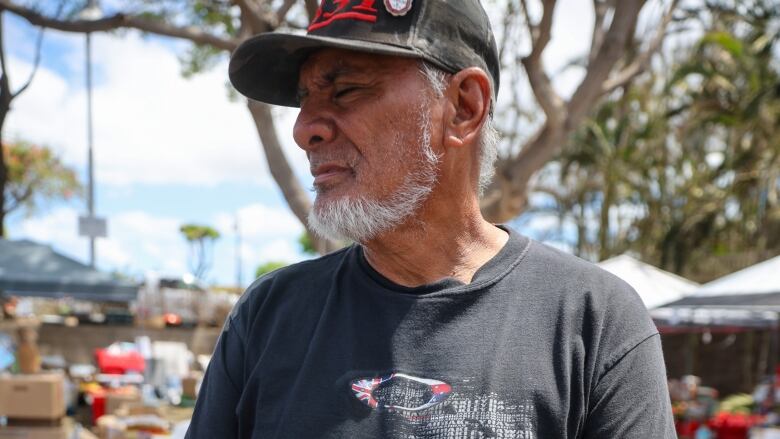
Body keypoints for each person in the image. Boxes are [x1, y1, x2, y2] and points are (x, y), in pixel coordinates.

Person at [186, 0, 676, 436]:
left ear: (463, 107)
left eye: (347, 90)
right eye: (304, 98)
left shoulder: (595, 321)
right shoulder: (269, 316)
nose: (303, 128)